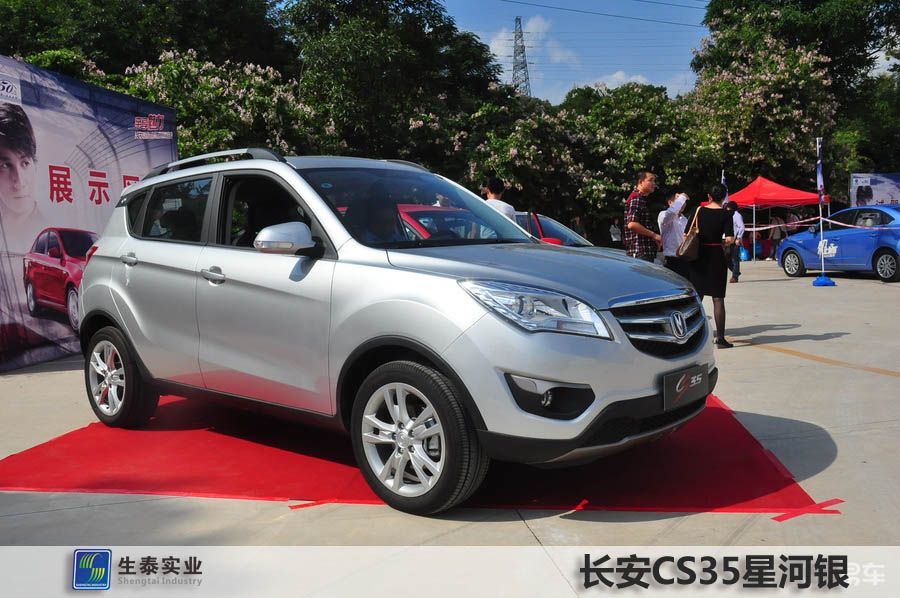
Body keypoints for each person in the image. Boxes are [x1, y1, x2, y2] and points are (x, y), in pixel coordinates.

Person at [688, 182, 734, 348]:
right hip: (716, 255)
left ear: (709, 196)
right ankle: (720, 338)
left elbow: (687, 232)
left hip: (698, 255)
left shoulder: (697, 211)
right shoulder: (726, 214)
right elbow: (730, 239)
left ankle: (692, 335)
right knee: (718, 298)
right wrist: (722, 242)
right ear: (724, 197)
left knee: (697, 296)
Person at [0, 102, 42, 254]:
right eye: (6, 165)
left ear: (35, 165)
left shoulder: (49, 232)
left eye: (25, 163)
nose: (19, 182)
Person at [623, 169, 662, 261]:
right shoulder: (636, 198)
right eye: (650, 180)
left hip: (643, 251)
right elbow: (632, 224)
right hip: (639, 252)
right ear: (640, 182)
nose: (654, 183)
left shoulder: (641, 198)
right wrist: (654, 235)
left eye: (654, 181)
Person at [657, 192, 688, 277]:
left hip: (685, 259)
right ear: (670, 202)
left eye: (684, 201)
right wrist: (682, 197)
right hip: (671, 259)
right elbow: (671, 213)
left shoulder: (685, 219)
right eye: (680, 201)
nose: (683, 203)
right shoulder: (663, 214)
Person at [726, 201, 745, 283]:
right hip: (727, 240)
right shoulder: (728, 215)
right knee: (726, 258)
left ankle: (735, 276)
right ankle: (736, 271)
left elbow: (742, 227)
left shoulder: (737, 216)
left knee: (735, 258)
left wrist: (738, 238)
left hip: (735, 239)